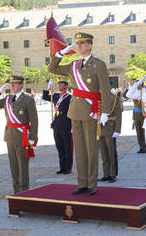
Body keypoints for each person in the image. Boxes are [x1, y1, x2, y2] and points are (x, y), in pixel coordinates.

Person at [48, 32, 112, 196]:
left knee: (91, 148)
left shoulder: (99, 65)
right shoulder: (73, 65)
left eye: (82, 43)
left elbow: (105, 89)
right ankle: (82, 183)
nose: (79, 46)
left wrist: (104, 112)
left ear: (90, 45)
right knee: (80, 150)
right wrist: (61, 53)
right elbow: (52, 68)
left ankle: (92, 183)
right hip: (75, 111)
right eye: (77, 43)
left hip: (91, 112)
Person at [0, 75, 38, 193]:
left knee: (22, 166)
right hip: (10, 136)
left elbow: (34, 120)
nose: (12, 86)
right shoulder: (7, 99)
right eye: (11, 84)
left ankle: (24, 191)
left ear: (21, 85)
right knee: (13, 166)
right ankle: (16, 191)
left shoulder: (28, 99)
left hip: (22, 136)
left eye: (15, 84)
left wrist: (33, 137)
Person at [42, 77, 73, 174]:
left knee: (67, 147)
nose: (59, 86)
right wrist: (48, 87)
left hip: (66, 124)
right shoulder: (55, 96)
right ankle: (62, 167)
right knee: (59, 146)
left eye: (62, 84)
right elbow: (45, 97)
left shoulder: (69, 97)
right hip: (57, 124)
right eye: (58, 84)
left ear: (66, 86)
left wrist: (72, 126)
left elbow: (72, 112)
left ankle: (68, 167)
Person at [98, 91, 122, 183]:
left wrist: (117, 130)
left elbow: (118, 114)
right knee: (103, 152)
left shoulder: (114, 98)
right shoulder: (97, 96)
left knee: (111, 151)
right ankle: (106, 173)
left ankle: (113, 174)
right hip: (99, 127)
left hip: (110, 126)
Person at [123, 85, 146, 153]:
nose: (138, 86)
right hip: (136, 115)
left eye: (139, 85)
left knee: (144, 132)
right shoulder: (134, 94)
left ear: (142, 86)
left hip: (144, 114)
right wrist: (128, 88)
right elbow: (125, 96)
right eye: (137, 85)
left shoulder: (144, 93)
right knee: (138, 132)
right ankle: (141, 147)